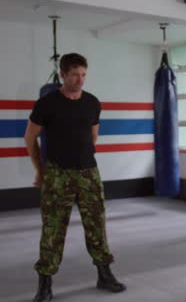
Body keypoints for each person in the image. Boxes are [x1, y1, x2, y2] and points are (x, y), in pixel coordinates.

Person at [24, 53, 126, 302]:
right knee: (53, 230)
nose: (80, 80)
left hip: (89, 173)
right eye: (74, 75)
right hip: (58, 174)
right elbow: (30, 138)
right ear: (63, 75)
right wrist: (40, 169)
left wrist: (83, 159)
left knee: (97, 226)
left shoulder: (92, 102)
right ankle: (45, 284)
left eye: (83, 75)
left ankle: (104, 274)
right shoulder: (47, 103)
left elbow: (92, 138)